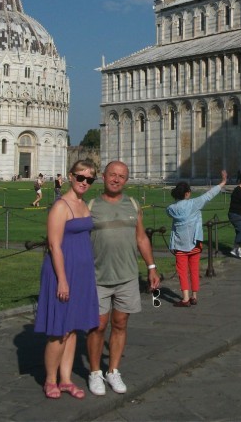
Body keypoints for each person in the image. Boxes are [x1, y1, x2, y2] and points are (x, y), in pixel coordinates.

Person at [86, 160, 161, 396]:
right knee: (98, 326)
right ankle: (95, 373)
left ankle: (113, 370)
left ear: (126, 180)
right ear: (104, 176)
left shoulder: (132, 204)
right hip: (97, 276)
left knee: (120, 324)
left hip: (127, 276)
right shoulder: (89, 205)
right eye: (112, 175)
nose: (116, 179)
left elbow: (141, 238)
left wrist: (151, 267)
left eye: (121, 176)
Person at [34, 159, 100, 400]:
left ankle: (66, 379)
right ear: (70, 177)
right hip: (62, 271)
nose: (84, 182)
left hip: (82, 273)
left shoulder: (83, 205)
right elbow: (54, 245)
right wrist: (62, 279)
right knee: (59, 329)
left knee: (73, 330)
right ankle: (50, 380)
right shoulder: (61, 206)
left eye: (89, 179)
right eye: (80, 177)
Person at [166, 170, 228, 307]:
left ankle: (185, 298)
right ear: (187, 193)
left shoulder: (171, 209)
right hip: (195, 243)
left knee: (182, 272)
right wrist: (222, 183)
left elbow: (171, 213)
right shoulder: (194, 203)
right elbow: (209, 195)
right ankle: (194, 296)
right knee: (194, 269)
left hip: (179, 244)